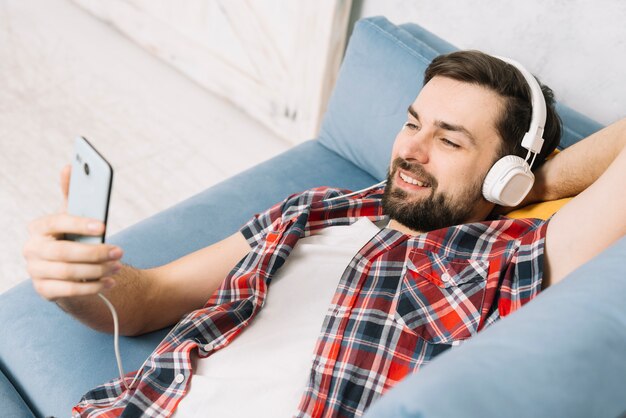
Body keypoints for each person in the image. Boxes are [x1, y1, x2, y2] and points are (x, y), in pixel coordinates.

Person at [23, 50, 626, 417]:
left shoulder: (504, 257)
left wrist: (537, 186)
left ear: (505, 176)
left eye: (449, 139)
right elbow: (146, 300)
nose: (410, 151)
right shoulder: (316, 210)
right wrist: (76, 283)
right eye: (412, 123)